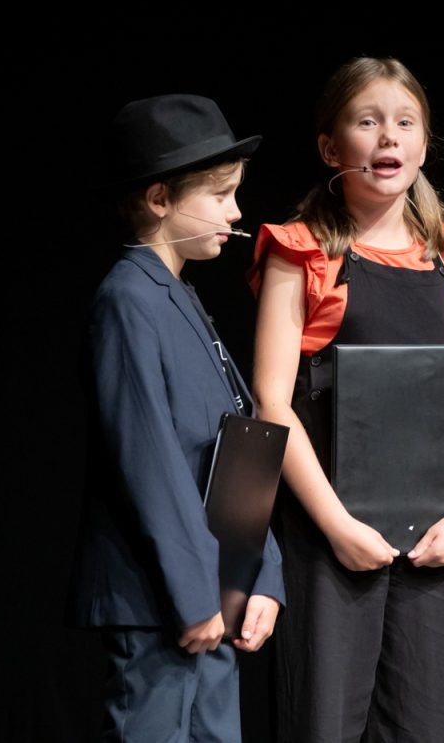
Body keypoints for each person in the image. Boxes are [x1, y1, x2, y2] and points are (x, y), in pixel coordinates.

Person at [250, 56, 444, 743]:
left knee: (424, 725)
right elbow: (272, 401)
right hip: (332, 539)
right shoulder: (304, 252)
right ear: (331, 148)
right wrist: (337, 527)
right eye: (367, 121)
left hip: (437, 539)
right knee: (323, 722)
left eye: (405, 123)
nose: (388, 137)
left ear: (424, 144)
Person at [68, 93, 284, 741]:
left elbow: (238, 450)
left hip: (213, 589)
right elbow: (151, 460)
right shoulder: (128, 298)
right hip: (162, 598)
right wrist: (194, 595)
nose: (236, 212)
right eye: (220, 194)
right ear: (160, 198)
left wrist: (262, 574)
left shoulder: (180, 296)